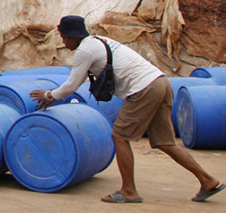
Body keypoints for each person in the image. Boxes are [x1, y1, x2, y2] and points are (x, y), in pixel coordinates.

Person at [30, 15, 223, 204]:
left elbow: (72, 85)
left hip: (144, 89)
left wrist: (49, 95)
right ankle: (208, 181)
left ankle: (129, 191)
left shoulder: (84, 51)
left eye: (63, 37)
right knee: (166, 142)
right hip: (161, 83)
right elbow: (78, 81)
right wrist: (54, 96)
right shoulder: (99, 41)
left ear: (72, 36)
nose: (63, 42)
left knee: (120, 137)